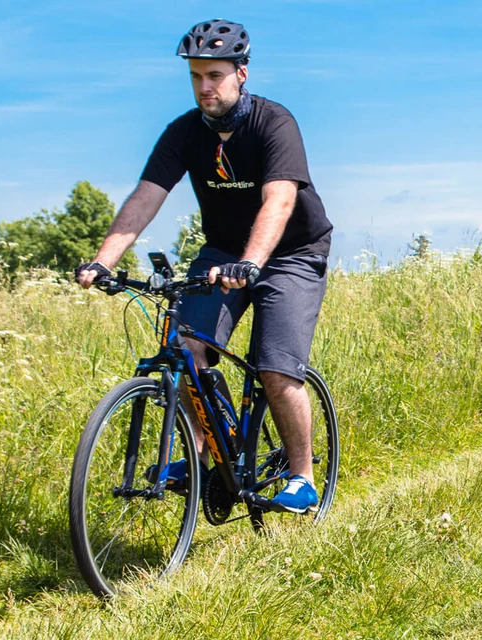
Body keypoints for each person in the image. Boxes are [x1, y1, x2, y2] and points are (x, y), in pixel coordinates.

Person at [76, 18, 333, 513]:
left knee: (275, 368)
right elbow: (145, 198)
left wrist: (252, 262)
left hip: (292, 253)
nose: (203, 87)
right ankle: (200, 456)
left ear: (241, 73)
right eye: (196, 77)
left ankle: (302, 477)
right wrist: (102, 261)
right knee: (186, 349)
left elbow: (278, 201)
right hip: (223, 251)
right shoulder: (184, 133)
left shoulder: (274, 123)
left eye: (214, 75)